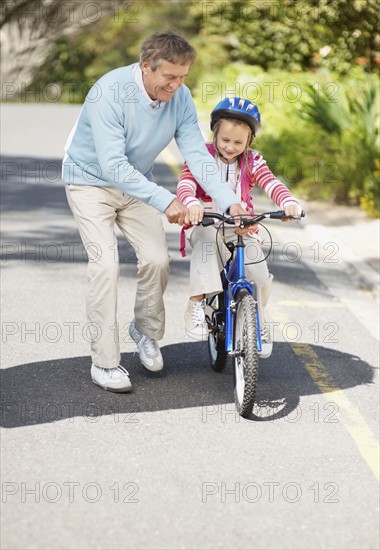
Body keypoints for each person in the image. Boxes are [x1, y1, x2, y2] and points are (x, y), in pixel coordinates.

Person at [62, 31, 248, 393]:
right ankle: (104, 363)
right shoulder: (109, 92)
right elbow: (113, 165)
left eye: (183, 77)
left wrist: (230, 201)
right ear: (146, 67)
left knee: (157, 261)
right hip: (89, 183)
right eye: (170, 77)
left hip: (136, 186)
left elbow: (197, 154)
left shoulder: (179, 97)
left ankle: (145, 332)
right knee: (105, 267)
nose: (177, 85)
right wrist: (167, 201)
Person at [177, 97, 302, 357]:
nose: (231, 147)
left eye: (238, 142)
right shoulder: (201, 156)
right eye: (224, 140)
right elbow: (186, 183)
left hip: (242, 226)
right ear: (215, 134)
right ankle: (198, 302)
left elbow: (271, 183)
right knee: (207, 244)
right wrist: (191, 203)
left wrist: (288, 202)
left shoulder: (253, 161)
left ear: (249, 141)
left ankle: (258, 320)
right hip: (207, 221)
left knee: (259, 275)